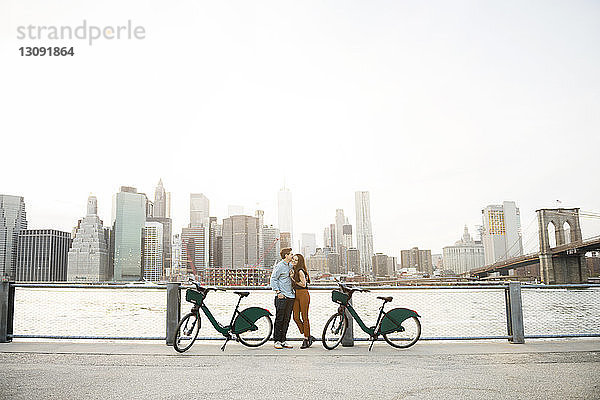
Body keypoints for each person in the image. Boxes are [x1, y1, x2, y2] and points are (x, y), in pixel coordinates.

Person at [270, 247, 295, 349]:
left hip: (291, 296)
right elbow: (273, 279)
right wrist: (278, 292)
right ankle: (277, 341)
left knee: (287, 319)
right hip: (282, 296)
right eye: (291, 254)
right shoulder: (280, 266)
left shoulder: (290, 266)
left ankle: (283, 340)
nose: (292, 256)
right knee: (279, 319)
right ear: (286, 255)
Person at [290, 253, 315, 349]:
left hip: (303, 294)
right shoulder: (294, 270)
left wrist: (293, 279)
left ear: (299, 262)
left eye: (296, 260)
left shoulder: (300, 271)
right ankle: (307, 334)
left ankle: (306, 338)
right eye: (293, 259)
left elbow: (303, 284)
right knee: (295, 317)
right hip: (296, 294)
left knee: (304, 317)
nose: (294, 261)